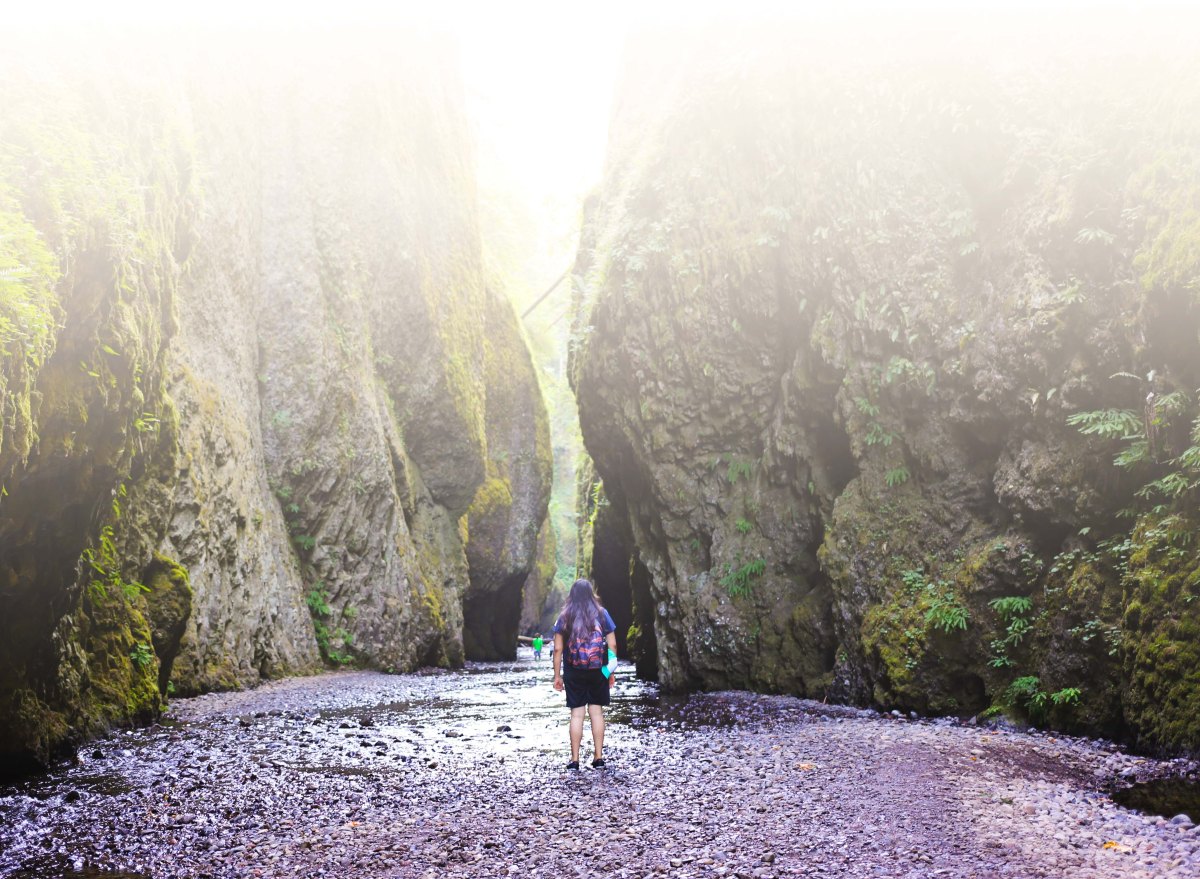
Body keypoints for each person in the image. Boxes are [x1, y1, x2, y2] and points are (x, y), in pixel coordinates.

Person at [552, 578, 618, 769]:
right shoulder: (602, 613)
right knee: (596, 713)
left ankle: (574, 760)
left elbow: (557, 649)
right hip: (599, 670)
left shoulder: (564, 616)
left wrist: (558, 676)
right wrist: (610, 670)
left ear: (571, 594)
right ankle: (598, 758)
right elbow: (612, 644)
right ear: (591, 593)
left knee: (577, 715)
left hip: (573, 670)